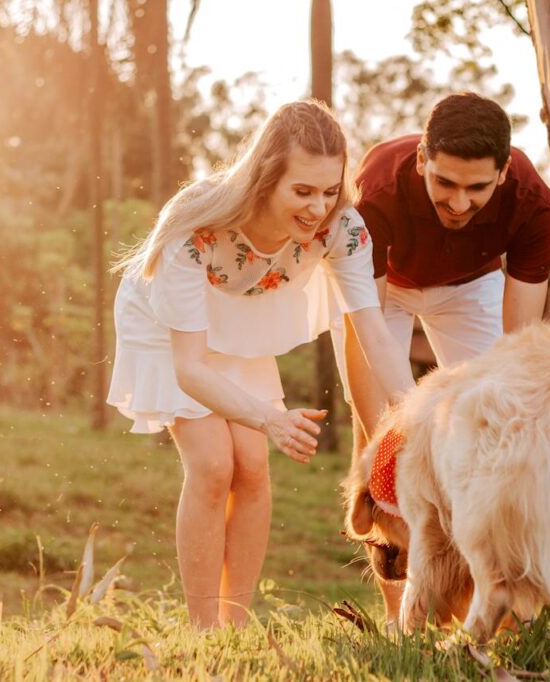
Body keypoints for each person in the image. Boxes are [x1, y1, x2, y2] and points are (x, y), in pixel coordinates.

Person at [108, 100, 415, 630]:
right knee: (213, 464)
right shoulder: (197, 226)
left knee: (252, 466)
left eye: (328, 190)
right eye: (302, 191)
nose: (318, 207)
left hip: (242, 320)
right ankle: (205, 631)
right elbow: (190, 367)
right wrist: (272, 418)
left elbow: (374, 335)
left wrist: (417, 417)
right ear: (265, 178)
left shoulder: (344, 229)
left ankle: (236, 621)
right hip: (172, 328)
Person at [336, 92, 550, 621]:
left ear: (503, 174)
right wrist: (401, 429)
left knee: (490, 436)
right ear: (421, 162)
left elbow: (516, 352)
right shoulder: (380, 189)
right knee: (383, 443)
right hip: (381, 293)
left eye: (477, 187)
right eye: (445, 184)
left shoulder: (533, 204)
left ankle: (491, 602)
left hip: (468, 285)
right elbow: (369, 322)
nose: (460, 202)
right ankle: (400, 617)